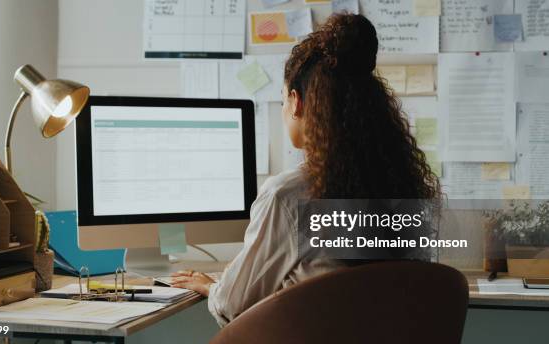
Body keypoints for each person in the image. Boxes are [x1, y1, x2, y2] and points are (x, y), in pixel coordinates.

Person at [171, 13, 440, 327]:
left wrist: (212, 287)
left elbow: (233, 305)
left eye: (283, 98)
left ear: (296, 102)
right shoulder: (402, 185)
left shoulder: (288, 195)